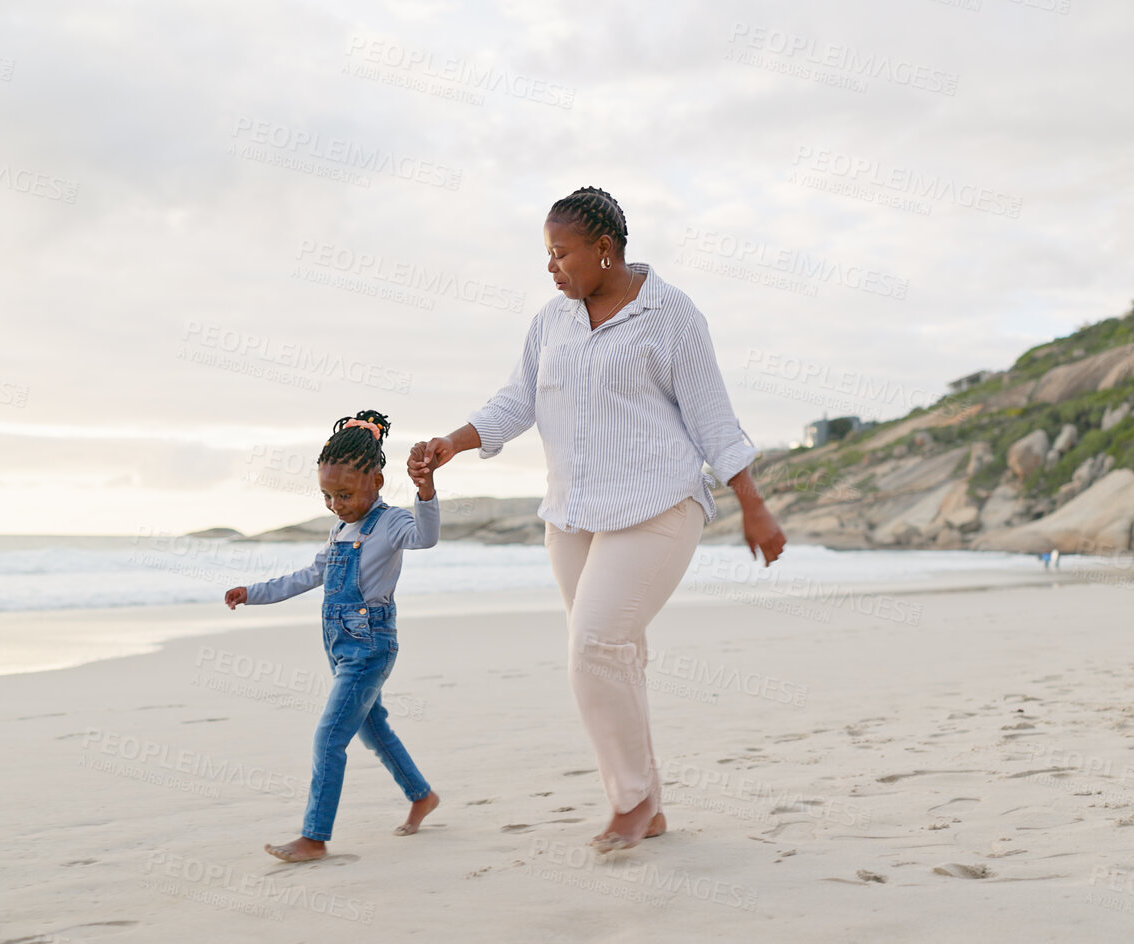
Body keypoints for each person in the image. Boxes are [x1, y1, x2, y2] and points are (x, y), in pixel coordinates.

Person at [409, 186, 788, 854]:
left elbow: (711, 418)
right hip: (571, 516)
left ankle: (631, 802)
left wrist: (752, 507)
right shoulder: (550, 322)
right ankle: (649, 803)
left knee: (593, 649)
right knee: (617, 657)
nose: (551, 267)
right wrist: (452, 443)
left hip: (656, 508)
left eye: (561, 253)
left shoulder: (671, 315)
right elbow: (515, 401)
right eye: (546, 254)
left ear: (604, 250)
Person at [224, 411, 441, 862]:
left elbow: (426, 536)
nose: (336, 504)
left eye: (344, 494)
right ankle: (421, 795)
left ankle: (314, 837)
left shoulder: (392, 523)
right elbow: (310, 575)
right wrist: (253, 593)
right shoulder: (340, 528)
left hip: (370, 646)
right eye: (327, 495)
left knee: (328, 738)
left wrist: (425, 491)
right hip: (339, 645)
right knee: (371, 728)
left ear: (377, 483)